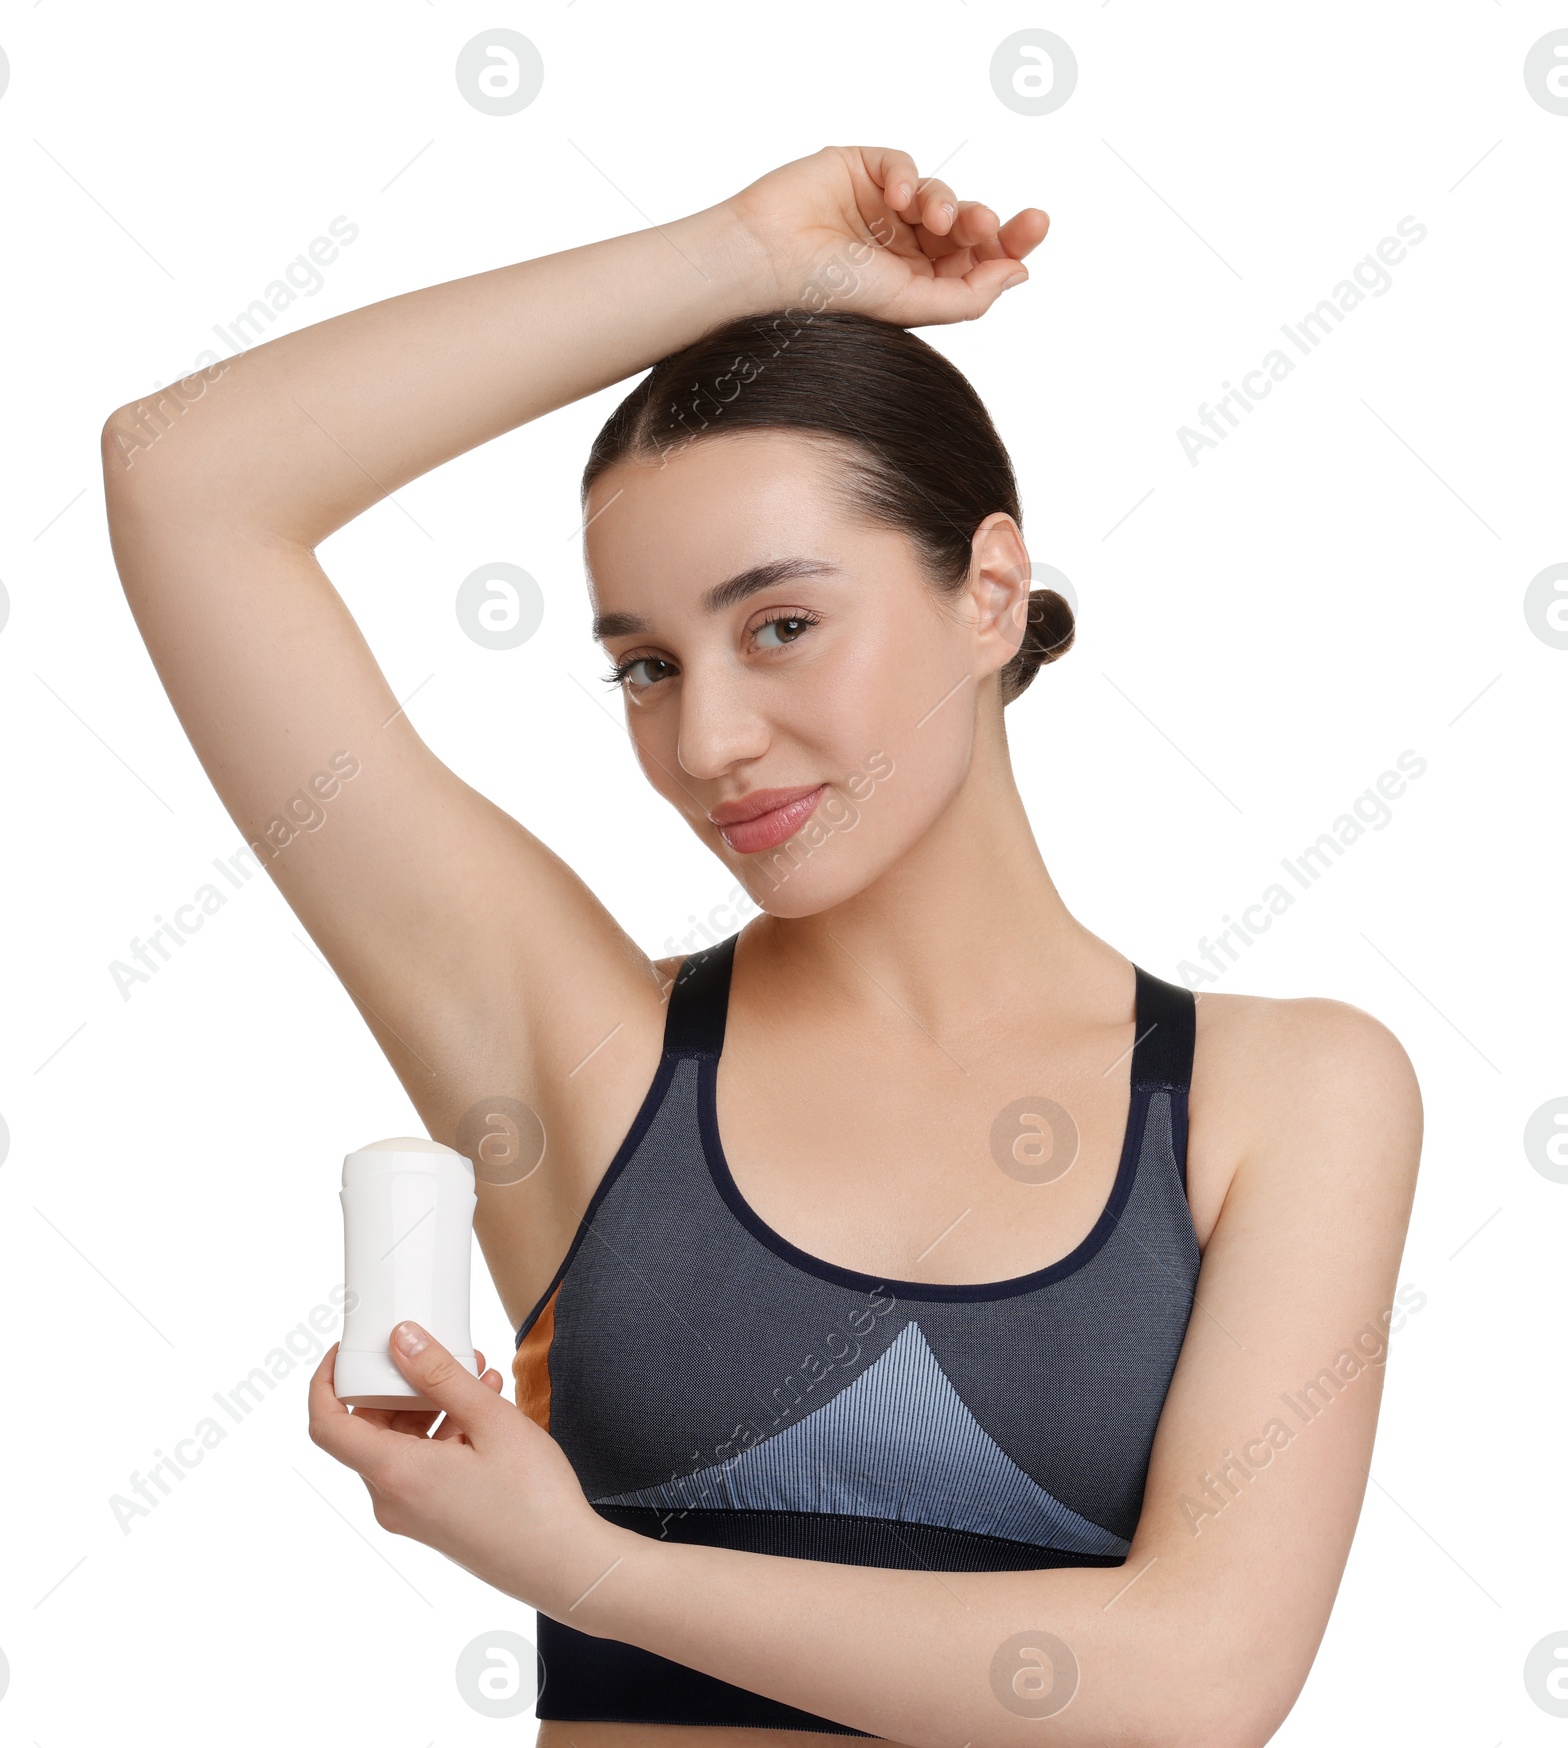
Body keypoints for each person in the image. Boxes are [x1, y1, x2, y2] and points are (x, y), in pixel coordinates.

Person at [101, 144, 1422, 1746]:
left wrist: (592, 1575)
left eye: (781, 624)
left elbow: (1195, 1682)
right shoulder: (585, 1058)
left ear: (990, 590)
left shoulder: (1282, 1095)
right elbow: (186, 480)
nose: (710, 738)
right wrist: (732, 257)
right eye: (645, 666)